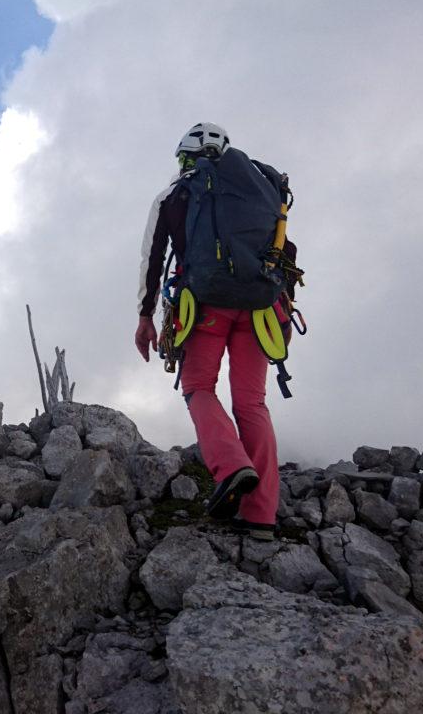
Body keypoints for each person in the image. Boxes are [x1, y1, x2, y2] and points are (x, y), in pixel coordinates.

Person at [135, 122, 293, 541]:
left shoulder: (175, 194)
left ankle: (230, 465)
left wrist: (145, 316)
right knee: (252, 403)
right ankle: (261, 516)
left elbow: (154, 257)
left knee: (199, 387)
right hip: (261, 308)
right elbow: (284, 250)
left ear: (185, 155)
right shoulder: (262, 187)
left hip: (203, 306)